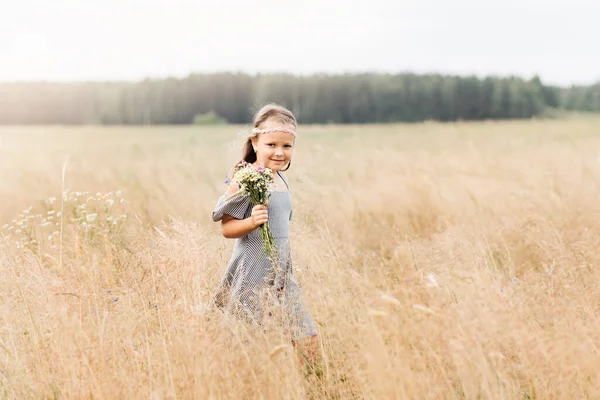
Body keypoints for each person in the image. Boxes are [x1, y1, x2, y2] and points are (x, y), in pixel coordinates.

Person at [209, 103, 319, 366]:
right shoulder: (245, 179)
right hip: (253, 269)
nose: (279, 152)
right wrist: (251, 222)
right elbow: (227, 228)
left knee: (307, 339)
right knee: (245, 342)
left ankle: (300, 388)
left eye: (286, 146)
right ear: (255, 142)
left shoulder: (281, 179)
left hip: (281, 273)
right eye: (271, 145)